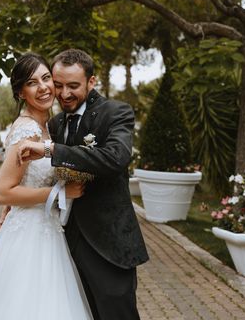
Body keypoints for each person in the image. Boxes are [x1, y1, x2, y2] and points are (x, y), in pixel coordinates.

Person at [18, 49, 149, 320]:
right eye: (58, 84)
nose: (64, 93)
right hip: (63, 243)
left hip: (109, 247)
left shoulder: (116, 112)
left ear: (91, 82)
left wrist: (52, 150)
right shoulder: (54, 123)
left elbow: (116, 157)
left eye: (73, 86)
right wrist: (13, 206)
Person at [0, 52, 93, 320]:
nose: (44, 87)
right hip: (28, 237)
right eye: (32, 83)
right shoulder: (27, 130)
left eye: (46, 78)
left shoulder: (48, 128)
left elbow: (22, 185)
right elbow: (2, 192)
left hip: (47, 230)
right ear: (21, 92)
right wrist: (59, 193)